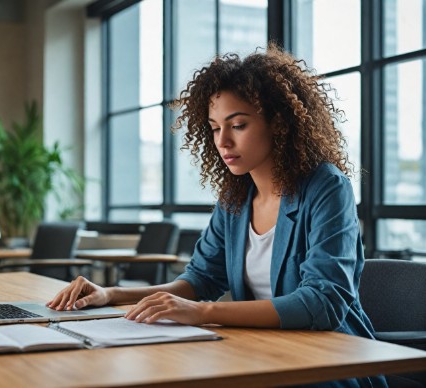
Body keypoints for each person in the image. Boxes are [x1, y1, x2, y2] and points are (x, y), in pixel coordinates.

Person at [48, 44, 386, 387]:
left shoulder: (326, 187)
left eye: (237, 125)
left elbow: (322, 303)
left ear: (279, 123)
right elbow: (200, 281)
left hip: (329, 365)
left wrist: (203, 312)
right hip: (259, 356)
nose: (222, 141)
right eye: (213, 128)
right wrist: (111, 294)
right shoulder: (236, 198)